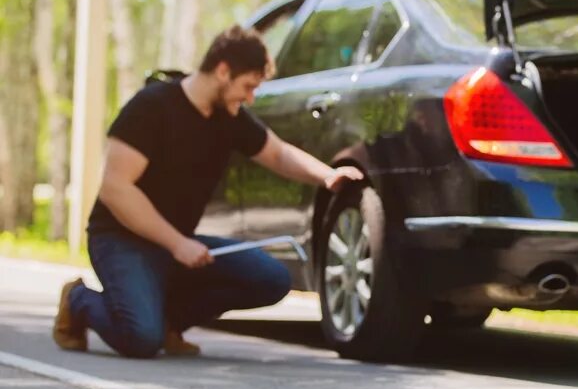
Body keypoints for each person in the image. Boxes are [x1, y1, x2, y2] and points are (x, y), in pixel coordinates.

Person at [52, 25, 363, 358]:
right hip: (120, 238)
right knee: (141, 339)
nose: (250, 98)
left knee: (271, 278)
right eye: (247, 86)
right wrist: (177, 243)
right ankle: (79, 301)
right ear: (223, 71)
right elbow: (116, 190)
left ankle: (169, 322)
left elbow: (277, 153)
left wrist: (327, 176)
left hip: (178, 243)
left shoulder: (228, 116)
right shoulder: (151, 107)